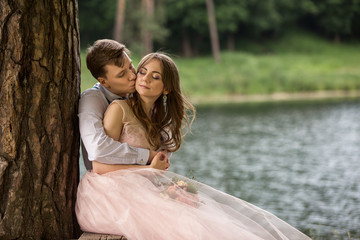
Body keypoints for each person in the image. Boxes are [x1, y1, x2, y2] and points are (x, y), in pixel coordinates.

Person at [76, 53, 311, 240]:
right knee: (181, 223)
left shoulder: (158, 119)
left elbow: (157, 164)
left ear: (166, 88)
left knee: (203, 214)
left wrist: (158, 175)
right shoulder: (116, 108)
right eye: (143, 72)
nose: (144, 79)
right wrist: (150, 167)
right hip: (107, 192)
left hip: (139, 183)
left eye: (155, 77)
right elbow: (99, 166)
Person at [79, 39, 161, 171]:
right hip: (106, 181)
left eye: (130, 66)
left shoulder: (137, 93)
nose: (132, 76)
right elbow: (97, 149)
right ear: (104, 82)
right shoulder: (92, 99)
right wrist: (146, 156)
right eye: (122, 74)